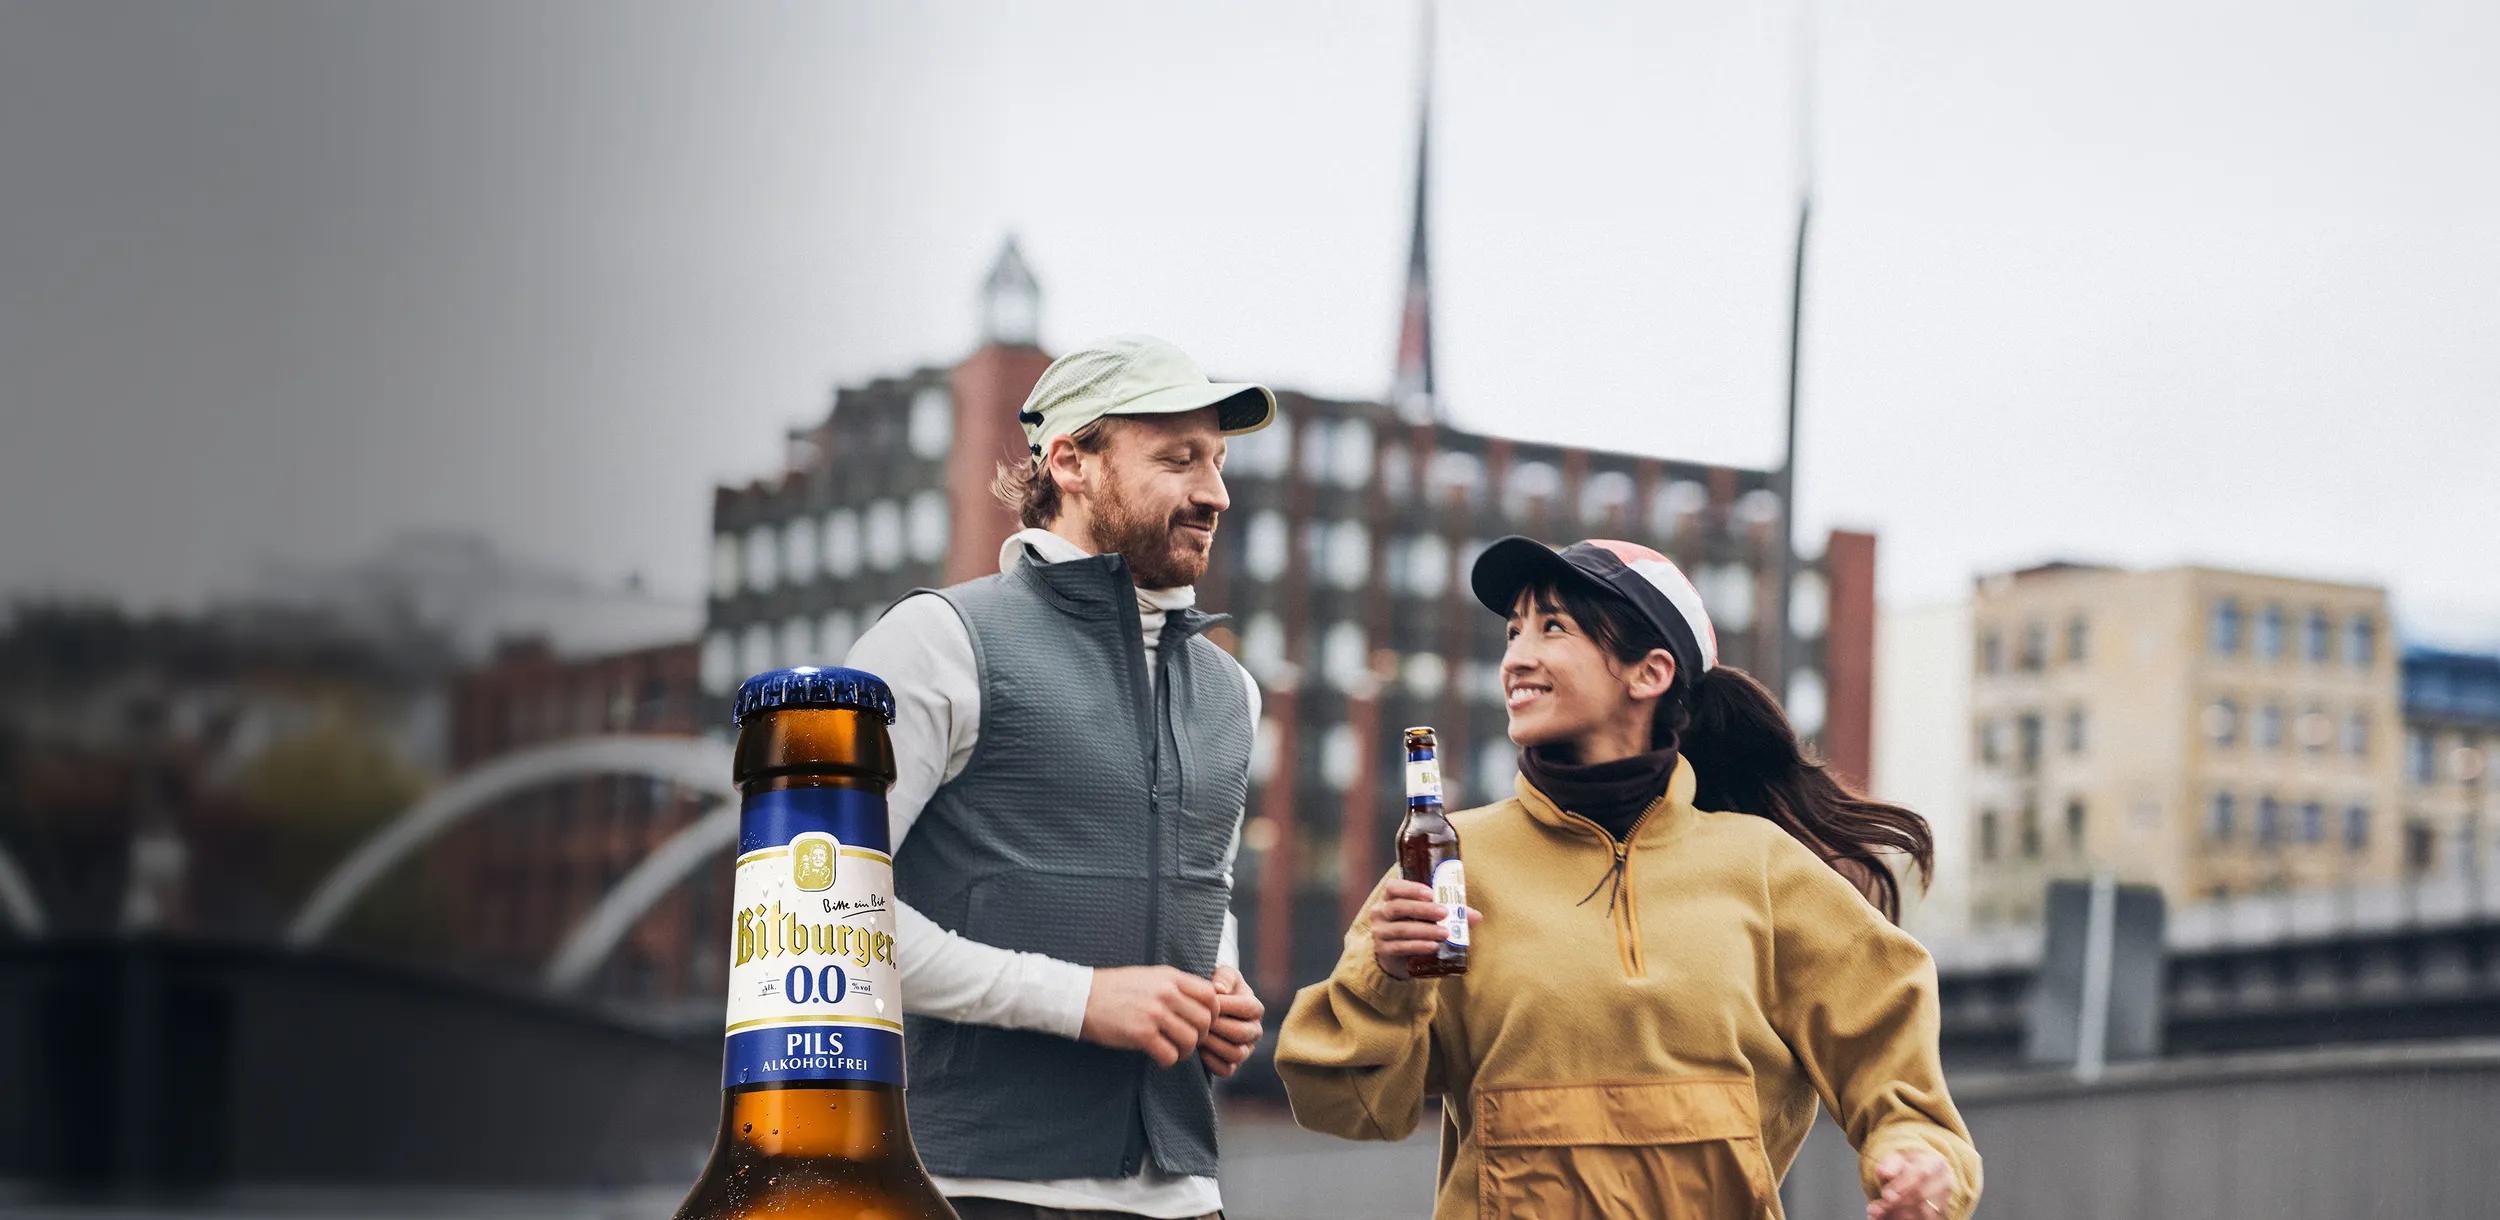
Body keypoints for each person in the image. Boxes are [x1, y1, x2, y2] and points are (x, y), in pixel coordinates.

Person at [1275, 536, 1982, 1220]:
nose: (1517, 657)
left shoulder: (1765, 869)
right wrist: (1386, 981)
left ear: (1650, 672)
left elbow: (1901, 1086)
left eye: (1552, 628)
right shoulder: (1452, 862)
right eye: (1513, 631)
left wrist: (1919, 1163)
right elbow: (1347, 1107)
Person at [844, 334, 1274, 1220]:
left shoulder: (1233, 693)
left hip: (1183, 1194)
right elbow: (825, 919)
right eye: (1179, 458)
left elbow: (1206, 889)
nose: (1215, 493)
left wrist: (1218, 982)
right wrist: (1081, 1001)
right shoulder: (934, 643)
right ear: (1071, 461)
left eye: (1220, 462)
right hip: (965, 1188)